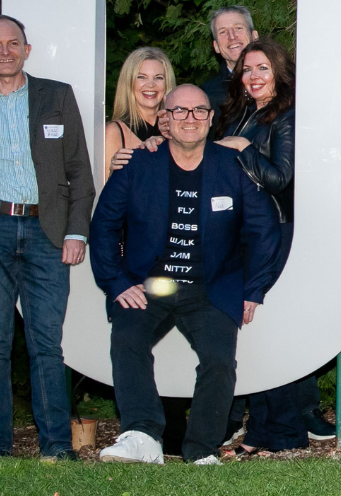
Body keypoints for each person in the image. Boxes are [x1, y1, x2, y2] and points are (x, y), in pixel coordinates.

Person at [92, 84, 279, 466]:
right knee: (126, 338)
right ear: (166, 119)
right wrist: (116, 282)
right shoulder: (140, 165)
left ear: (211, 120)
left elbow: (264, 229)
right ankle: (142, 436)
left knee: (219, 361)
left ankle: (202, 450)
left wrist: (254, 289)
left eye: (199, 111)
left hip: (209, 287)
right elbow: (104, 225)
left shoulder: (233, 168)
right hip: (149, 284)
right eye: (179, 111)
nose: (189, 119)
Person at [0, 14, 94, 460]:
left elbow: (79, 171)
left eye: (13, 43)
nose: (5, 51)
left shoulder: (57, 97)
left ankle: (56, 445)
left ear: (27, 50)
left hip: (47, 233)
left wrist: (75, 231)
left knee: (47, 342)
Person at [211, 39, 318, 456]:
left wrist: (244, 149)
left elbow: (280, 178)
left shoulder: (286, 116)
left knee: (269, 331)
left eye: (263, 69)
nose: (253, 77)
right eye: (247, 69)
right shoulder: (238, 114)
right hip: (239, 232)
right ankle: (263, 431)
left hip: (273, 231)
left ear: (279, 73)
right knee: (254, 333)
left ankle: (283, 431)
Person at [104, 47, 174, 180]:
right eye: (142, 77)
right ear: (129, 82)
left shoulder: (178, 127)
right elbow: (106, 194)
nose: (151, 85)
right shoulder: (114, 132)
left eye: (158, 78)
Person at [201, 6, 258, 110]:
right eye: (222, 32)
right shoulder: (206, 96)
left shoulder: (279, 84)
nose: (232, 36)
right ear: (216, 46)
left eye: (238, 28)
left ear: (254, 37)